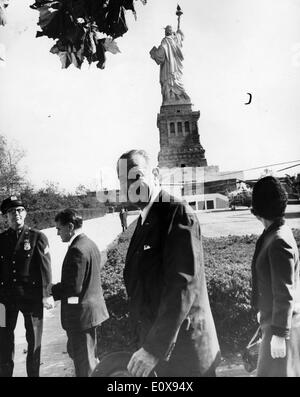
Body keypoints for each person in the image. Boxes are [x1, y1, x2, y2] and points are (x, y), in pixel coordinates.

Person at [117, 149, 220, 377]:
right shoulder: (143, 221)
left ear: (155, 174)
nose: (130, 185)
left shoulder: (177, 213)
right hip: (162, 353)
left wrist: (153, 348)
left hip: (185, 355)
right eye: (123, 180)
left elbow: (182, 286)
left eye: (136, 176)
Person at [48, 209, 109, 377]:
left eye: (59, 228)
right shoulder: (89, 243)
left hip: (81, 317)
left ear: (70, 226)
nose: (57, 233)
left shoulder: (77, 249)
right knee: (88, 359)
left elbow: (73, 287)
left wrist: (52, 289)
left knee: (84, 365)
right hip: (91, 314)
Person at [251, 176, 300, 377]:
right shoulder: (277, 233)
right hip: (274, 322)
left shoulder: (278, 240)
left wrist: (280, 334)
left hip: (280, 329)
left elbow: (285, 292)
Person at [0, 195, 53, 377]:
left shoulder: (37, 237)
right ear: (5, 216)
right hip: (4, 302)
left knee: (34, 341)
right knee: (3, 342)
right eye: (11, 211)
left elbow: (46, 268)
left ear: (26, 213)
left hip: (31, 298)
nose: (17, 214)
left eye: (20, 210)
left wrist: (47, 294)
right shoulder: (1, 240)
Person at [150, 23, 190, 104]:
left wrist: (153, 52)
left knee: (168, 82)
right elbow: (180, 37)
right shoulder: (175, 41)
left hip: (168, 67)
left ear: (166, 32)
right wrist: (178, 33)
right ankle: (179, 96)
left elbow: (160, 54)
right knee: (174, 81)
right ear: (172, 32)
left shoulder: (166, 40)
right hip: (175, 67)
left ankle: (170, 99)